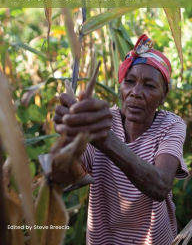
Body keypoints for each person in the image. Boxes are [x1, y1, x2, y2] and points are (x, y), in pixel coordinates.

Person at [53, 34, 189, 245]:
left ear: (163, 95)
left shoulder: (170, 125)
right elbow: (64, 176)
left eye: (149, 86)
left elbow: (160, 186)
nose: (136, 92)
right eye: (130, 82)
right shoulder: (103, 120)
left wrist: (103, 139)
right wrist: (68, 140)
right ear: (121, 88)